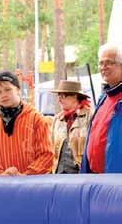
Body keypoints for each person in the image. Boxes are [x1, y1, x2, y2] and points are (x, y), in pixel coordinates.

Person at [0, 71, 53, 176]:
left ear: (18, 90)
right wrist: (1, 173)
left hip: (33, 185)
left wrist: (26, 175)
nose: (3, 95)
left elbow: (46, 154)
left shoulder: (36, 119)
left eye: (8, 90)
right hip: (2, 184)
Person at [82, 43, 122, 173]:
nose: (103, 67)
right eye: (101, 63)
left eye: (109, 62)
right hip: (95, 178)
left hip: (115, 182)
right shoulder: (103, 98)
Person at [51, 80, 91, 174]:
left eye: (63, 96)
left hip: (81, 175)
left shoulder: (90, 116)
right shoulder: (57, 119)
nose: (59, 99)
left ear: (75, 96)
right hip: (58, 175)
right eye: (58, 96)